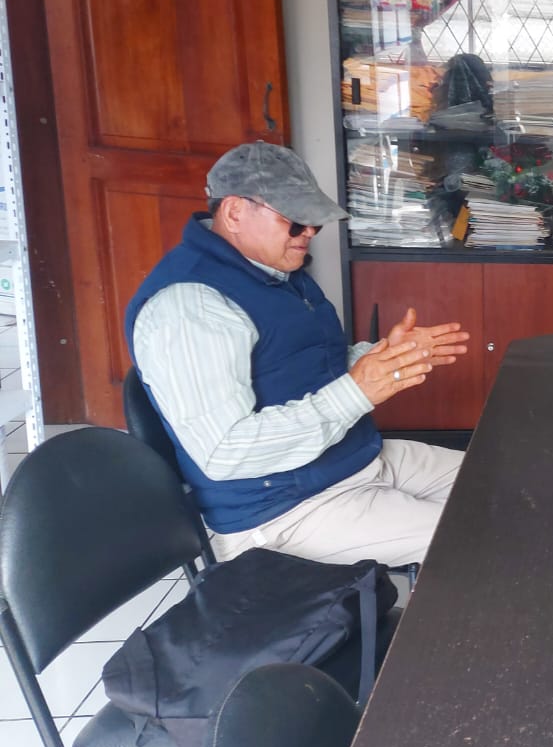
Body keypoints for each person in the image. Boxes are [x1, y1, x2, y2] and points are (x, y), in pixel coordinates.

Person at [126, 141, 472, 567]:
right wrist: (358, 391)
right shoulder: (189, 308)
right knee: (487, 537)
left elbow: (303, 367)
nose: (308, 232)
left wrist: (385, 357)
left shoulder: (275, 272)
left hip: (349, 459)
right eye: (295, 221)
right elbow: (224, 452)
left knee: (503, 484)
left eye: (314, 222)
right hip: (283, 510)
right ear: (234, 213)